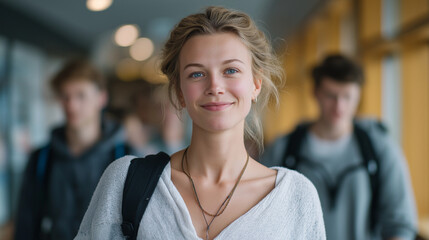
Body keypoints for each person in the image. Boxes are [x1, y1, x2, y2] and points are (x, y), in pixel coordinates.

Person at [75, 6, 325, 240]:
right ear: (180, 92)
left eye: (231, 70)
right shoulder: (125, 182)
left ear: (256, 84)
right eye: (196, 74)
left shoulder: (295, 197)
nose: (215, 87)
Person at [262, 54, 417, 240]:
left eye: (347, 96)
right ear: (315, 93)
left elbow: (400, 223)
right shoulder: (283, 149)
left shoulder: (379, 148)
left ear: (358, 95)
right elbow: (263, 217)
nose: (339, 106)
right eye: (331, 96)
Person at [14, 59, 133, 240]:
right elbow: (26, 223)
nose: (71, 106)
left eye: (81, 95)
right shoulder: (41, 159)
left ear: (101, 98)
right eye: (65, 96)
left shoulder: (125, 156)